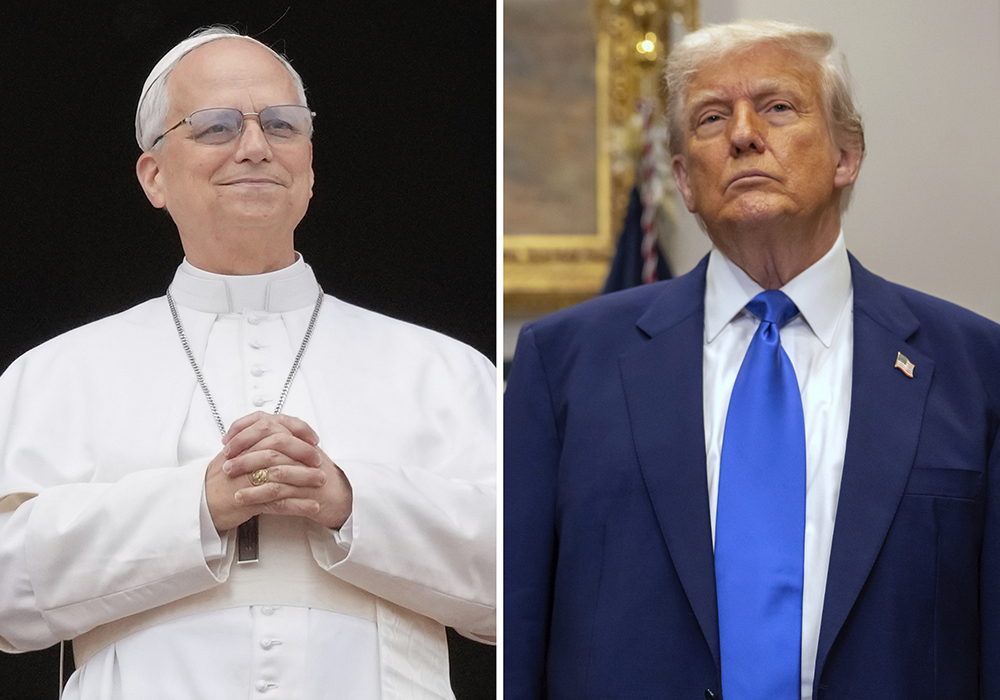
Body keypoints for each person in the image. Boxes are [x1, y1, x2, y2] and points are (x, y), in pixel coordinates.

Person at [504, 19, 1000, 700]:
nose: (742, 134)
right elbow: (520, 623)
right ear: (682, 177)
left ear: (846, 154)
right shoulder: (562, 363)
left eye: (777, 107)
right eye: (711, 117)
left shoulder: (976, 367)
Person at [0, 26, 495, 699]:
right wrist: (195, 508)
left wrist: (352, 502)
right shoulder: (56, 374)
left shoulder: (445, 371)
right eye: (215, 127)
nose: (256, 147)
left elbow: (520, 587)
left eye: (283, 126)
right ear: (153, 175)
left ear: (311, 168)